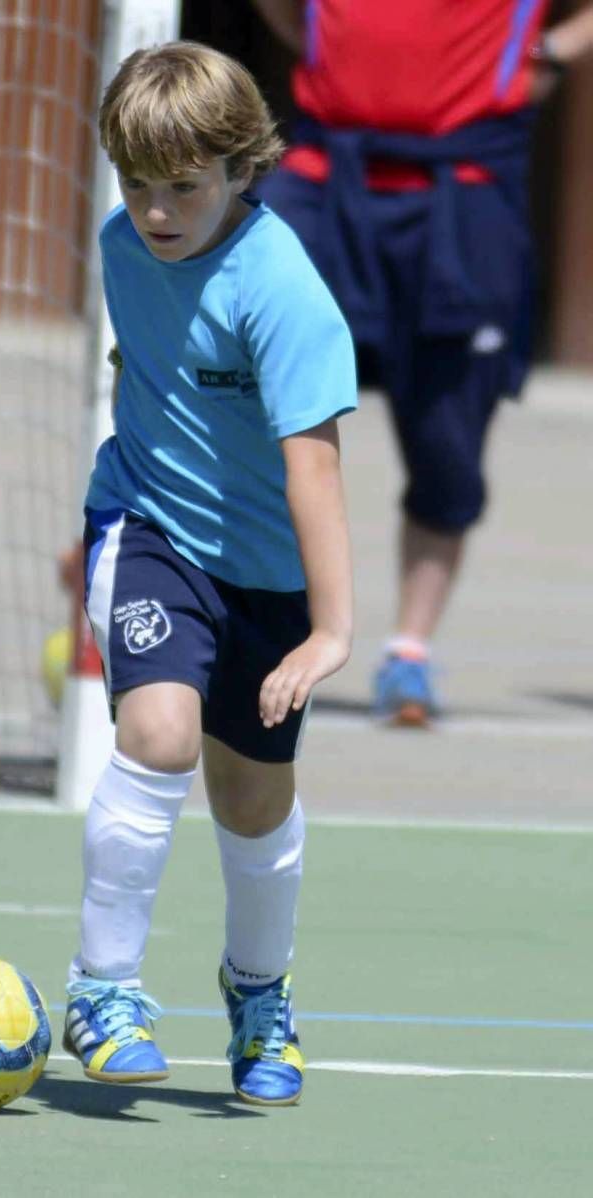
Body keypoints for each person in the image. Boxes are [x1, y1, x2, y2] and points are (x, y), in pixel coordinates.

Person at [61, 41, 356, 1107]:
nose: (153, 211)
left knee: (251, 798)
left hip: (270, 577)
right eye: (134, 183)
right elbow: (142, 366)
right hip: (147, 531)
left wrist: (328, 630)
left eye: (181, 185)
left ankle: (258, 993)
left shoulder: (285, 292)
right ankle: (101, 989)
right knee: (158, 735)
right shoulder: (119, 245)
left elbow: (311, 465)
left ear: (244, 167)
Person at [251, 0, 593, 725]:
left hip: (462, 186)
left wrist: (557, 50)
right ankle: (232, 614)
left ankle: (409, 651)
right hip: (322, 172)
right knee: (240, 385)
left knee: (447, 442)